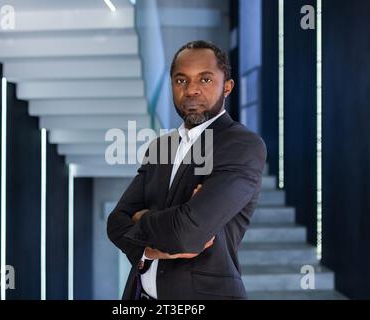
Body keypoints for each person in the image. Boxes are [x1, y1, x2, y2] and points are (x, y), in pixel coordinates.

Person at [107, 40, 267, 300]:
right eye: (181, 81)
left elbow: (187, 234)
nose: (191, 90)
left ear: (227, 87)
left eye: (205, 79)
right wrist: (150, 250)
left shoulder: (242, 146)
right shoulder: (161, 146)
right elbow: (115, 223)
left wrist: (142, 218)